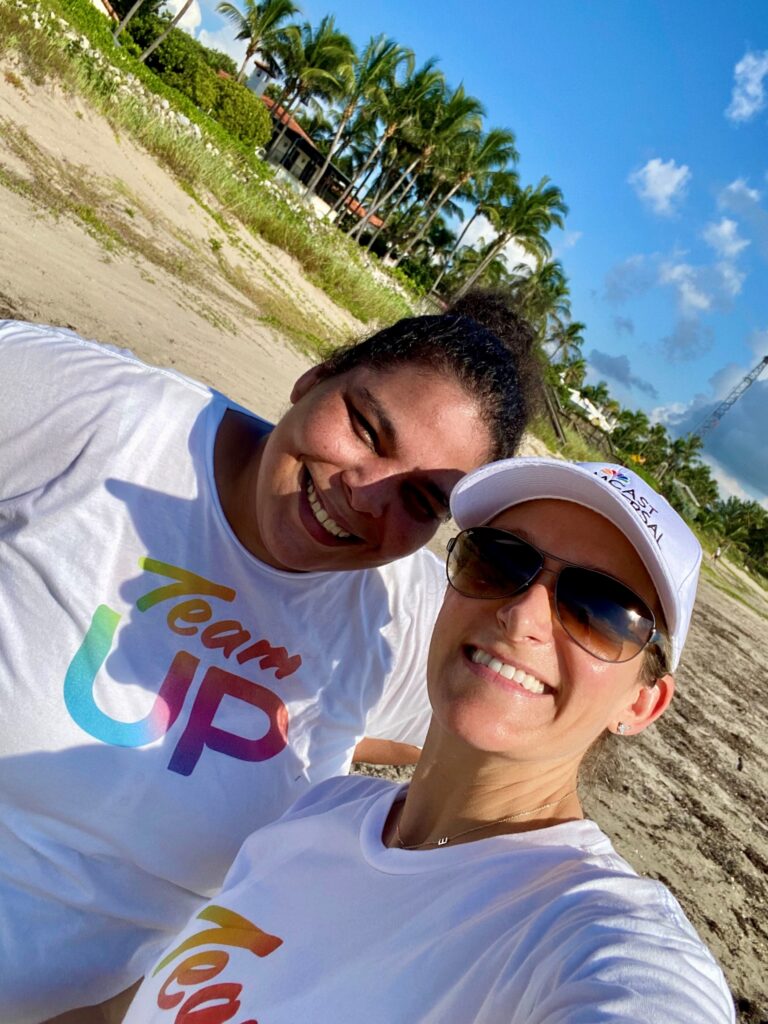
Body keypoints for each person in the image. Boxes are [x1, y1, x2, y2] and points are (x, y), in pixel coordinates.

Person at [0, 293, 541, 1022]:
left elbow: (489, 757)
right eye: (367, 429)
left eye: (420, 500)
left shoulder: (398, 616)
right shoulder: (107, 420)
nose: (365, 496)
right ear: (313, 378)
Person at [124, 458, 735, 1024]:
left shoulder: (586, 934)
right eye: (498, 560)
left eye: (599, 609)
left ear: (641, 702)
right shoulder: (325, 808)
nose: (522, 616)